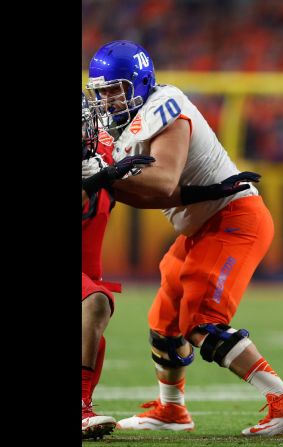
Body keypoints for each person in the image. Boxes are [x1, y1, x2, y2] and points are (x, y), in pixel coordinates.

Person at [85, 40, 283, 436]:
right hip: (202, 224)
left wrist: (103, 175)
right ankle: (171, 410)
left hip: (234, 220)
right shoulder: (117, 130)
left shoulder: (164, 105)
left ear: (140, 84)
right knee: (164, 319)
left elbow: (160, 183)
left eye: (115, 90)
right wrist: (105, 178)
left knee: (200, 322)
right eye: (101, 92)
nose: (107, 101)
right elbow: (150, 192)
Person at [82, 92, 156, 440]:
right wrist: (105, 175)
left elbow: (157, 190)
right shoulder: (101, 167)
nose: (86, 129)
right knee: (94, 301)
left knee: (94, 334)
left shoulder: (100, 155)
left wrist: (215, 190)